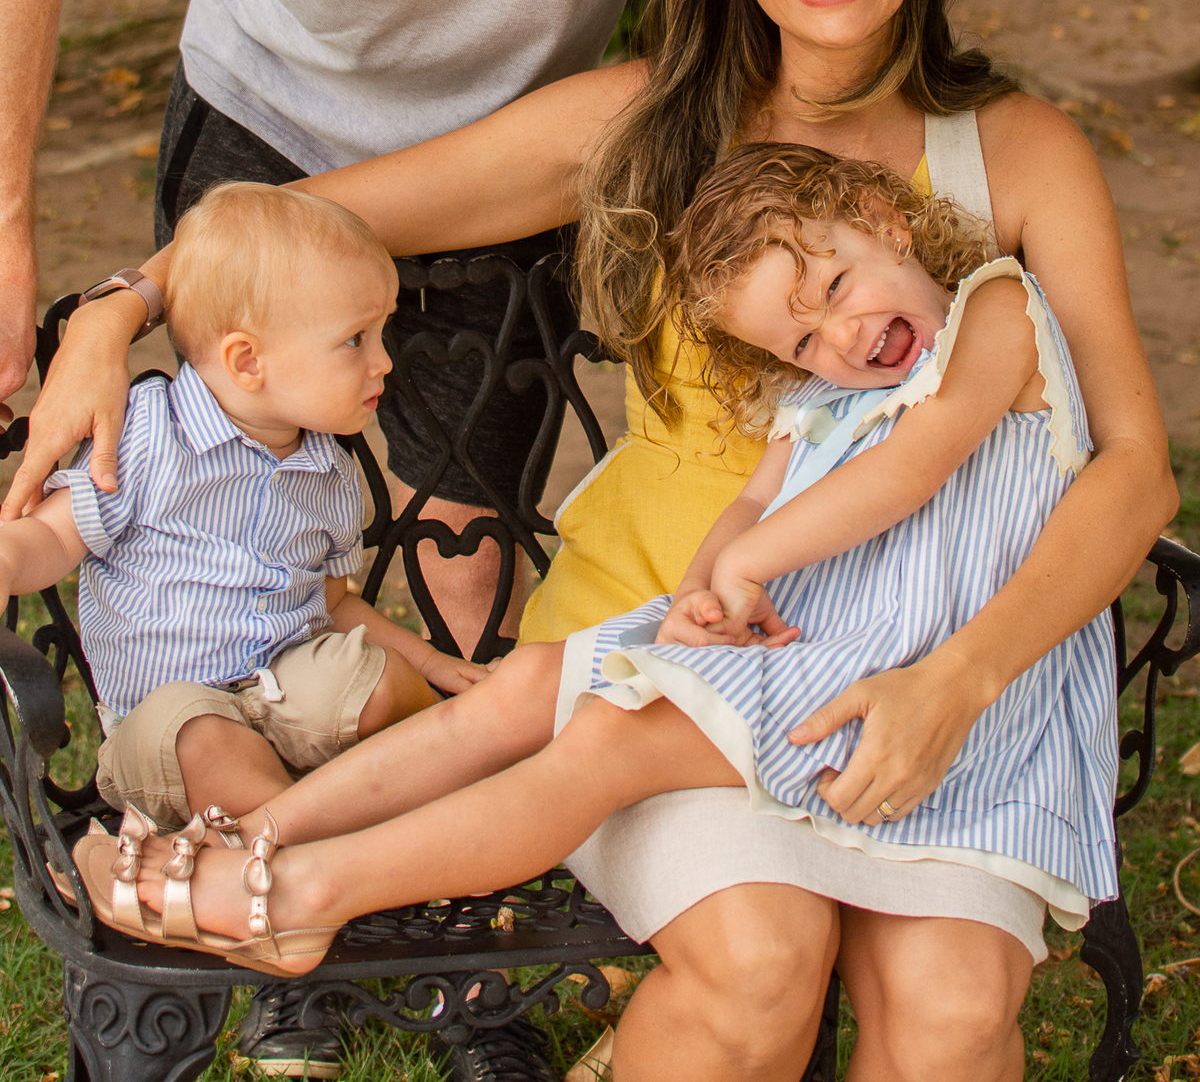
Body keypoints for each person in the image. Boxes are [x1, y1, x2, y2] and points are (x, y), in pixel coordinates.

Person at [14, 0, 1175, 1082]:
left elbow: (1133, 467)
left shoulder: (1018, 154)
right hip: (675, 638)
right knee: (762, 961)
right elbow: (319, 220)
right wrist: (120, 306)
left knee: (956, 1013)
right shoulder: (652, 122)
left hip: (940, 662)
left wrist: (958, 683)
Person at [0, 0, 775, 1079]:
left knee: (466, 537)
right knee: (223, 490)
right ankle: (242, 884)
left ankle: (438, 917)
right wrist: (14, 249)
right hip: (272, 129)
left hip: (504, 158)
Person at [68, 143, 1119, 1082]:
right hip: (829, 651)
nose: (840, 336)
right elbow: (751, 504)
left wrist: (753, 561)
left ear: (889, 221)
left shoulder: (995, 307)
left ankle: (298, 896)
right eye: (801, 341)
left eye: (837, 285)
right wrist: (706, 586)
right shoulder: (820, 398)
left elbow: (918, 464)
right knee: (530, 685)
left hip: (911, 677)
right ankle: (253, 842)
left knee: (605, 741)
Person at [1, 184, 484, 842]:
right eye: (355, 340)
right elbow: (55, 539)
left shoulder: (328, 471)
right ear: (247, 360)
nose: (384, 362)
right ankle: (303, 845)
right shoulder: (149, 435)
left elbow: (332, 603)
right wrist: (7, 559)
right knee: (204, 734)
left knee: (381, 682)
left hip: (283, 698)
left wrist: (425, 663)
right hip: (165, 728)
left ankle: (338, 819)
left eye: (380, 333)